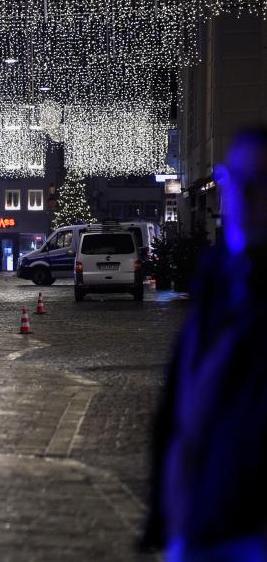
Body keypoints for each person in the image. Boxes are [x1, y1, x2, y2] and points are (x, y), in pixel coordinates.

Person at [142, 129, 267, 560]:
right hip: (198, 528)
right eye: (236, 181)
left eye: (261, 184)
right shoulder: (216, 285)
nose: (246, 196)